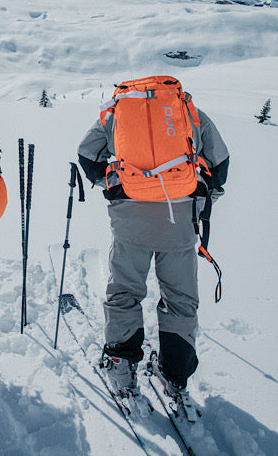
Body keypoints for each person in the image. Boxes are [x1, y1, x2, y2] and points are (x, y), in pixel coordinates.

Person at [77, 79, 229, 399]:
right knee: (180, 300)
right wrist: (201, 200)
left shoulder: (115, 114)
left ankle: (121, 366)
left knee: (125, 293)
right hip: (182, 222)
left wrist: (114, 188)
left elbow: (87, 156)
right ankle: (175, 374)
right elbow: (220, 164)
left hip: (130, 222)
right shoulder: (189, 111)